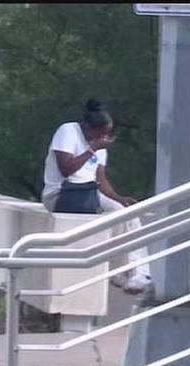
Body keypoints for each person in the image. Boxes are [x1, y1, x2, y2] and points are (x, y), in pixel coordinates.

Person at [41, 99, 152, 296]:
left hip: (89, 193)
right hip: (62, 194)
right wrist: (91, 149)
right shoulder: (68, 131)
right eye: (100, 133)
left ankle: (138, 273)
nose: (104, 137)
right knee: (114, 218)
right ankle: (116, 271)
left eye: (107, 134)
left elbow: (100, 179)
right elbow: (66, 169)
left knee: (125, 214)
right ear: (88, 128)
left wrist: (119, 197)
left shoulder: (100, 146)